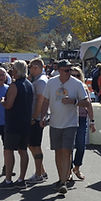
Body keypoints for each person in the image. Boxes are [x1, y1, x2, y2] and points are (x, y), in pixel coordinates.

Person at [41, 60, 90, 193]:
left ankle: (63, 181)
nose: (68, 73)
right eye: (66, 70)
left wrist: (73, 101)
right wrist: (43, 116)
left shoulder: (77, 83)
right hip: (55, 123)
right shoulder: (51, 82)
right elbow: (45, 100)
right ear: (59, 70)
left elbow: (86, 102)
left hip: (71, 123)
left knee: (66, 151)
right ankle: (60, 177)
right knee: (58, 151)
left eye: (70, 70)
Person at [1, 60, 33, 189]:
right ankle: (21, 179)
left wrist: (3, 101)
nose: (11, 71)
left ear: (17, 70)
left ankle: (8, 180)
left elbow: (9, 104)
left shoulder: (14, 86)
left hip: (14, 122)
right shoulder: (29, 84)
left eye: (13, 68)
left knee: (8, 150)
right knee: (23, 150)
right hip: (25, 122)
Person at [69, 67, 96, 181]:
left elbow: (88, 105)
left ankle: (77, 167)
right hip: (69, 118)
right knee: (69, 146)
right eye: (73, 75)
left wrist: (92, 121)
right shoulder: (68, 87)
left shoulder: (84, 88)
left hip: (82, 118)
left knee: (80, 145)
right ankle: (68, 170)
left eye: (77, 75)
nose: (75, 78)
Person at [27, 58, 51, 184]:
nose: (29, 69)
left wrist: (34, 117)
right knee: (33, 145)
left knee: (34, 146)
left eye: (31, 67)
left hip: (36, 118)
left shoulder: (41, 81)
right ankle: (41, 171)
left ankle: (38, 174)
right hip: (36, 117)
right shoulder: (38, 80)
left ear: (36, 67)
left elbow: (40, 100)